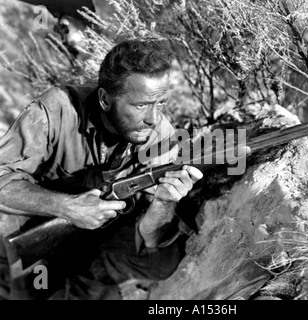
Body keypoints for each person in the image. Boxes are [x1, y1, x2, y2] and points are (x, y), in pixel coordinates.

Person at [0, 39, 203, 300]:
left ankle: (89, 284)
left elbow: (151, 239)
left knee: (164, 257)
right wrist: (67, 207)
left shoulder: (160, 134)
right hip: (36, 217)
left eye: (161, 103)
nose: (153, 118)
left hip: (102, 233)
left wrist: (163, 203)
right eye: (141, 105)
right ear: (105, 99)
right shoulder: (57, 109)